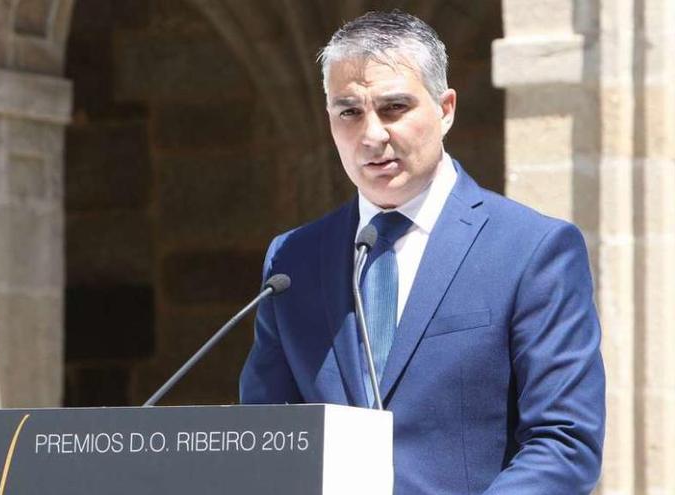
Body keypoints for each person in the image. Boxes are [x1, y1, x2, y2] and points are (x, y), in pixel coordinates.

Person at [239, 10, 605, 494]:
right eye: (349, 111)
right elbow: (263, 441)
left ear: (445, 108)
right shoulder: (292, 261)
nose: (371, 135)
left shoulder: (532, 250)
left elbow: (565, 441)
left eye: (393, 108)